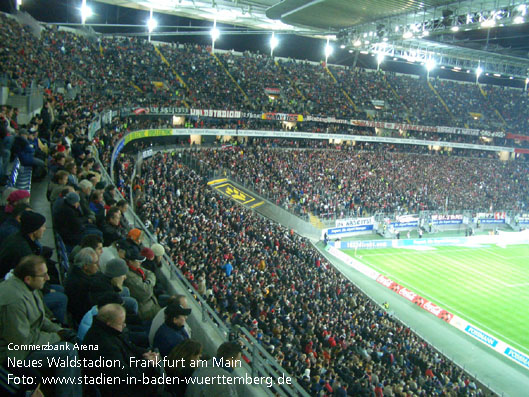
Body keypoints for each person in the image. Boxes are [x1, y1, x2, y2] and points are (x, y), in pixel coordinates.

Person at [0, 255, 82, 397]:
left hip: (28, 343)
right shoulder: (14, 301)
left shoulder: (29, 287)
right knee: (67, 351)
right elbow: (21, 342)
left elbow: (41, 319)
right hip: (13, 355)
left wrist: (61, 330)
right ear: (28, 278)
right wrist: (56, 337)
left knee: (72, 343)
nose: (48, 278)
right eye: (43, 275)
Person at [82, 303, 162, 397]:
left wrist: (146, 353)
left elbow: (129, 346)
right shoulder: (104, 344)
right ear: (109, 323)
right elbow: (125, 377)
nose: (124, 325)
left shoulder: (106, 330)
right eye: (121, 323)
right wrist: (147, 362)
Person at [0, 211, 48, 278]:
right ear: (34, 230)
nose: (45, 229)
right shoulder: (24, 252)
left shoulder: (17, 236)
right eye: (42, 226)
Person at [123, 245, 161, 321]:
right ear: (130, 261)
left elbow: (151, 273)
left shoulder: (136, 267)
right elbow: (146, 292)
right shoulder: (129, 276)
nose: (140, 263)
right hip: (145, 310)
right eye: (138, 261)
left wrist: (148, 282)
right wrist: (150, 284)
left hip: (151, 302)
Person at [64, 247, 99, 323]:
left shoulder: (75, 272)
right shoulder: (83, 285)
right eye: (95, 263)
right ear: (86, 266)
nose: (98, 266)